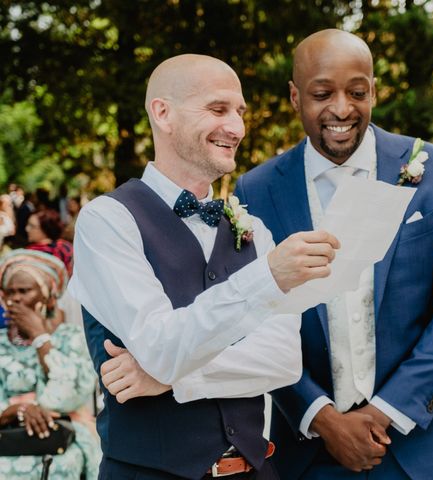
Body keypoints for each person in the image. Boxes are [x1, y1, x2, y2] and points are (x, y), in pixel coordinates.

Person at [69, 54, 340, 480]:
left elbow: (283, 361)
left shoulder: (256, 232)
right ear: (163, 113)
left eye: (239, 112)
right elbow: (158, 347)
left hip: (255, 470)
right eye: (218, 109)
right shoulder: (107, 220)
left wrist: (173, 380)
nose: (237, 127)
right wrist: (265, 278)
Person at [234, 30, 433, 479]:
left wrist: (384, 413)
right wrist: (323, 419)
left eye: (357, 92)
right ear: (295, 96)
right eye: (322, 93)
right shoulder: (256, 190)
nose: (342, 109)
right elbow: (256, 319)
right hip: (310, 453)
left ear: (373, 90)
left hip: (425, 450)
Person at [0, 249, 100, 479]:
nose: (14, 299)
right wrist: (17, 410)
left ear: (49, 296)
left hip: (63, 436)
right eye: (9, 292)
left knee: (61, 466)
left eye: (24, 291)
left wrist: (40, 337)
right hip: (7, 435)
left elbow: (70, 394)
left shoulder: (71, 337)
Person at [25, 209, 74, 276]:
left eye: (32, 226)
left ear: (45, 229)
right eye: (28, 224)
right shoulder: (67, 246)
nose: (27, 229)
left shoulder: (33, 253)